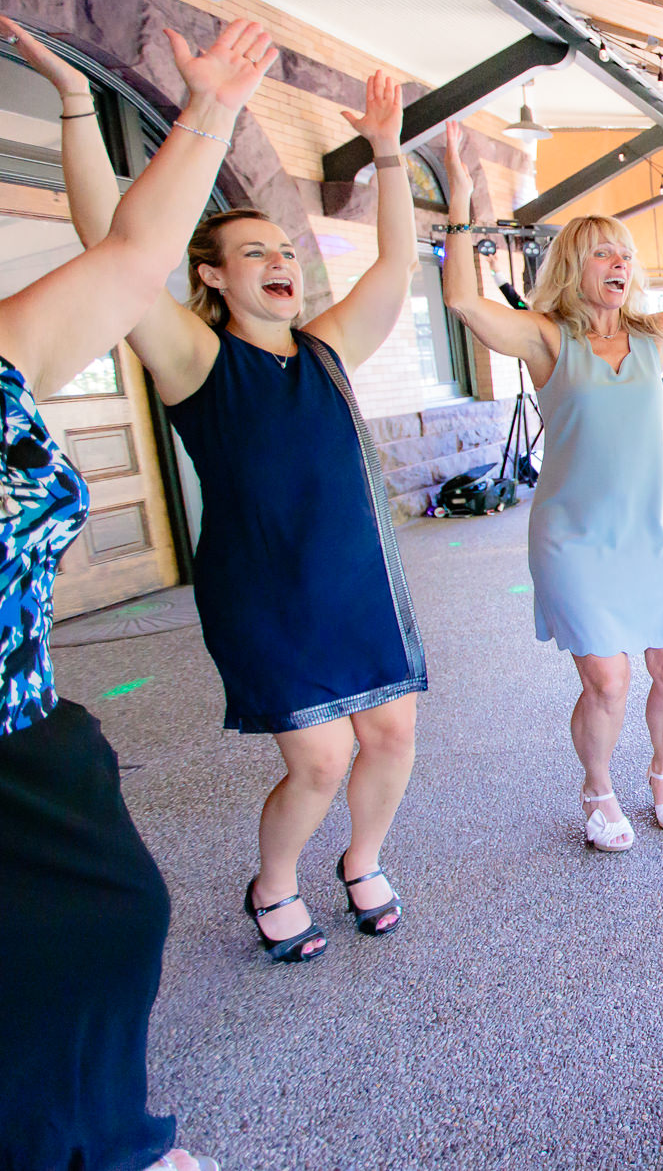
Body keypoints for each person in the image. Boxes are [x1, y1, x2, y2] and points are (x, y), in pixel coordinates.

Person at [0, 11, 273, 1171]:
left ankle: (108, 1139)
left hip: (29, 738)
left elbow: (127, 263)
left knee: (106, 929)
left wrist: (207, 110)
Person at [96, 66, 427, 964]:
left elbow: (397, 263)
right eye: (254, 252)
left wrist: (390, 149)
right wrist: (73, 107)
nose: (280, 263)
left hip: (356, 582)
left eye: (283, 249)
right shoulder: (196, 361)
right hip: (264, 595)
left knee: (391, 734)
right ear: (210, 275)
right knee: (318, 759)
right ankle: (273, 883)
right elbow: (111, 252)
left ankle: (362, 862)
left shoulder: (325, 348)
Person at [442, 138, 663, 850]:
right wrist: (462, 206)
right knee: (608, 678)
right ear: (571, 267)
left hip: (650, 533)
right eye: (600, 253)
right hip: (575, 537)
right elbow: (463, 300)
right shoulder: (546, 340)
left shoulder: (657, 336)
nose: (618, 264)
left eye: (624, 254)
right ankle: (597, 788)